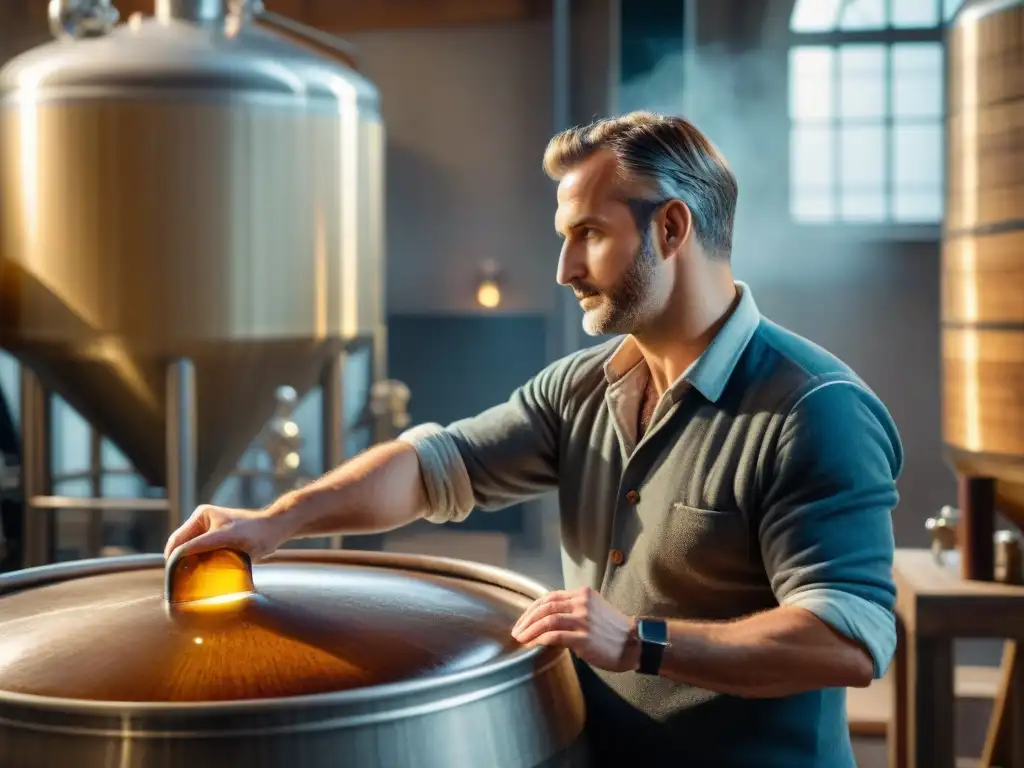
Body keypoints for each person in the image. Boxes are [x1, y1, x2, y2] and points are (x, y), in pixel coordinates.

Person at [165, 111, 901, 767]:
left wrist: (638, 642)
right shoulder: (581, 387)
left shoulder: (813, 410)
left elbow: (845, 640)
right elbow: (432, 466)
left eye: (590, 234)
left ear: (671, 228)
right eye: (564, 238)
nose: (565, 269)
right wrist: (277, 521)